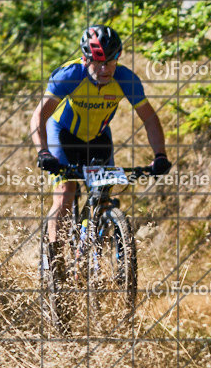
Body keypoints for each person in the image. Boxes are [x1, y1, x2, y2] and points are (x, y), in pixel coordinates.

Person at [30, 25, 171, 251]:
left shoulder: (126, 79)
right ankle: (54, 262)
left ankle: (92, 257)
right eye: (99, 62)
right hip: (63, 135)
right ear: (86, 60)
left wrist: (160, 155)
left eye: (111, 61)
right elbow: (40, 115)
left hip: (98, 139)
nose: (105, 68)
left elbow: (150, 119)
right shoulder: (70, 75)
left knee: (103, 199)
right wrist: (43, 151)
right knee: (66, 193)